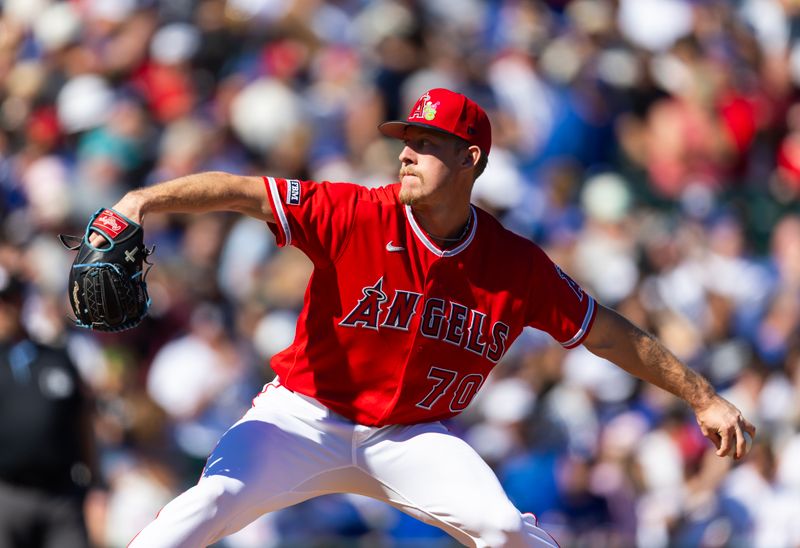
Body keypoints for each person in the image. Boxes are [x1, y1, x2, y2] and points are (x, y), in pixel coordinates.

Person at [107, 88, 754, 547]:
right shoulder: (354, 210)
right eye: (406, 141)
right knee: (206, 505)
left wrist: (702, 397)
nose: (407, 153)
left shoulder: (513, 264)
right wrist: (141, 199)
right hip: (303, 416)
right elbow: (245, 191)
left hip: (411, 436)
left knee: (503, 529)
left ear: (471, 158)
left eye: (427, 143)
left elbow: (607, 332)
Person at [0, 274, 96, 547]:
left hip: (61, 494)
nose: (5, 309)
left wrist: (97, 485)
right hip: (6, 492)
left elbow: (83, 421)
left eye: (10, 299)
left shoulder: (57, 357)